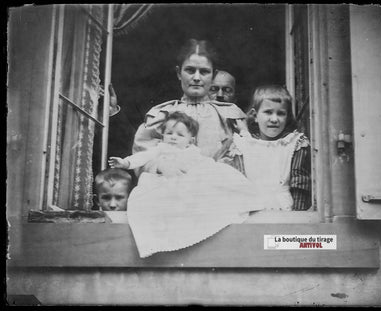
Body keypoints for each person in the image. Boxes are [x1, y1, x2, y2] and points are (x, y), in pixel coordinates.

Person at [109, 111, 261, 258]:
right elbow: (142, 157)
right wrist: (125, 162)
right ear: (163, 135)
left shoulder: (193, 152)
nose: (173, 137)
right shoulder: (160, 150)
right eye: (169, 133)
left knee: (217, 176)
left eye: (180, 135)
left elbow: (202, 166)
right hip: (164, 183)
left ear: (191, 139)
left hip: (186, 184)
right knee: (152, 202)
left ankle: (247, 199)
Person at [132, 39, 247, 178]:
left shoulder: (229, 114)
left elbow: (245, 155)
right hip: (170, 187)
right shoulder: (161, 114)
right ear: (179, 73)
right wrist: (161, 166)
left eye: (204, 72)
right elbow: (142, 155)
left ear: (213, 75)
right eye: (190, 70)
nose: (197, 78)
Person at [227, 85, 311, 211]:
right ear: (255, 115)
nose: (274, 119)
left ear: (287, 117)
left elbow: (300, 185)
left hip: (286, 212)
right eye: (268, 112)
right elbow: (237, 185)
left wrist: (296, 218)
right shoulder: (243, 145)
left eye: (281, 113)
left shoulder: (293, 144)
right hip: (251, 210)